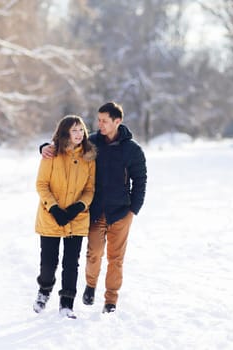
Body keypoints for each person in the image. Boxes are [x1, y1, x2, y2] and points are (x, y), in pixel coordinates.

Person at [41, 102, 147, 313]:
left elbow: (140, 180)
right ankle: (90, 285)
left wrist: (133, 210)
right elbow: (68, 145)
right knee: (93, 254)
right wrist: (44, 147)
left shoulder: (132, 150)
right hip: (95, 211)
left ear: (118, 122)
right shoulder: (93, 143)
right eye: (98, 120)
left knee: (116, 259)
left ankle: (110, 300)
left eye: (104, 121)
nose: (99, 124)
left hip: (121, 212)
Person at [33, 115, 96, 319]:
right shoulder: (51, 154)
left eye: (81, 130)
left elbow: (90, 188)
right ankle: (44, 290)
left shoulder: (89, 156)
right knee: (48, 263)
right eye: (74, 130)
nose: (79, 134)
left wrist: (78, 206)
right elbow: (41, 184)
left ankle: (66, 304)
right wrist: (54, 208)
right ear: (65, 132)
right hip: (51, 216)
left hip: (76, 218)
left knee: (71, 263)